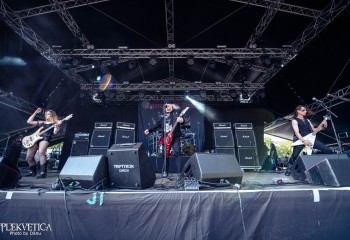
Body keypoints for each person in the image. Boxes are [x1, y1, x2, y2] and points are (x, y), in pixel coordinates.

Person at [285, 105, 333, 176]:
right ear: (298, 111)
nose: (305, 111)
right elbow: (296, 132)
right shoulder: (294, 121)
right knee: (295, 155)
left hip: (311, 139)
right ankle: (289, 168)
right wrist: (304, 141)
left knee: (328, 150)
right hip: (300, 140)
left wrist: (323, 126)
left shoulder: (307, 120)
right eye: (303, 110)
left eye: (305, 110)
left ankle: (325, 166)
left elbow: (315, 130)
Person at [144, 104, 185, 178]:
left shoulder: (177, 112)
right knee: (165, 154)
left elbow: (183, 121)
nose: (168, 106)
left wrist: (181, 120)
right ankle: (165, 171)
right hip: (166, 137)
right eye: (166, 105)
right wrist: (149, 130)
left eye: (169, 105)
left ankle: (179, 173)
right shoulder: (162, 115)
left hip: (175, 136)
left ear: (172, 106)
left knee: (177, 153)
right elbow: (157, 124)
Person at [25, 108, 62, 178]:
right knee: (29, 157)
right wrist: (35, 113)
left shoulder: (54, 123)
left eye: (48, 114)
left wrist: (57, 126)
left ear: (52, 115)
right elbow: (29, 121)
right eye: (46, 114)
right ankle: (33, 172)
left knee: (41, 152)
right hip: (35, 139)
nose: (46, 115)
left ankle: (43, 173)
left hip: (45, 138)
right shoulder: (41, 122)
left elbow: (55, 132)